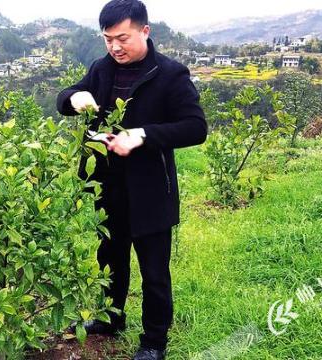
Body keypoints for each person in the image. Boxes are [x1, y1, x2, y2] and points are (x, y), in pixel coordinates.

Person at [57, 1, 207, 359]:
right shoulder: (102, 69)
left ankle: (154, 341)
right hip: (107, 185)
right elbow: (66, 97)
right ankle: (111, 317)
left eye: (122, 38)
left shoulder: (170, 74)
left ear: (144, 31)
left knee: (154, 270)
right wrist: (74, 97)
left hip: (151, 190)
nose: (115, 47)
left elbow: (195, 127)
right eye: (108, 39)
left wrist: (142, 134)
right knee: (110, 257)